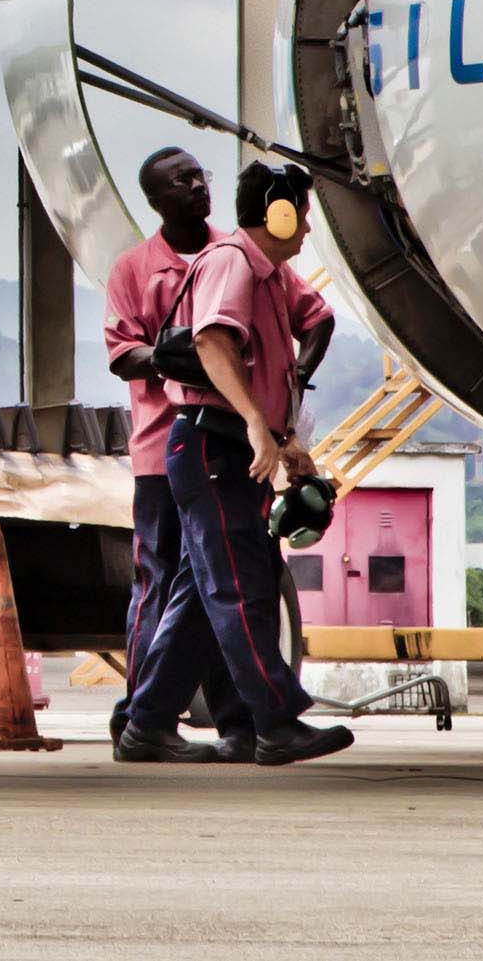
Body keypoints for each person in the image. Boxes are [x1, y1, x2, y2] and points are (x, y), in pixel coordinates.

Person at [111, 159, 357, 767]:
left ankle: (146, 723)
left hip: (228, 444)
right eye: (302, 214)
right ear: (276, 211)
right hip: (211, 442)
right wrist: (254, 423)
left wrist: (285, 439)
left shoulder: (265, 271)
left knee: (201, 592)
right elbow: (211, 342)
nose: (306, 230)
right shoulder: (232, 263)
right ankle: (274, 721)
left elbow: (281, 356)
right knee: (238, 587)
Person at [102, 145, 252, 764]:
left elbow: (305, 314)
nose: (198, 186)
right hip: (162, 454)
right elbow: (121, 355)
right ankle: (140, 715)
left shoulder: (237, 256)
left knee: (227, 586)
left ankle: (237, 721)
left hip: (231, 446)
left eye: (201, 176)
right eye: (182, 180)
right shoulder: (133, 270)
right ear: (155, 200)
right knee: (160, 584)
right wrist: (168, 355)